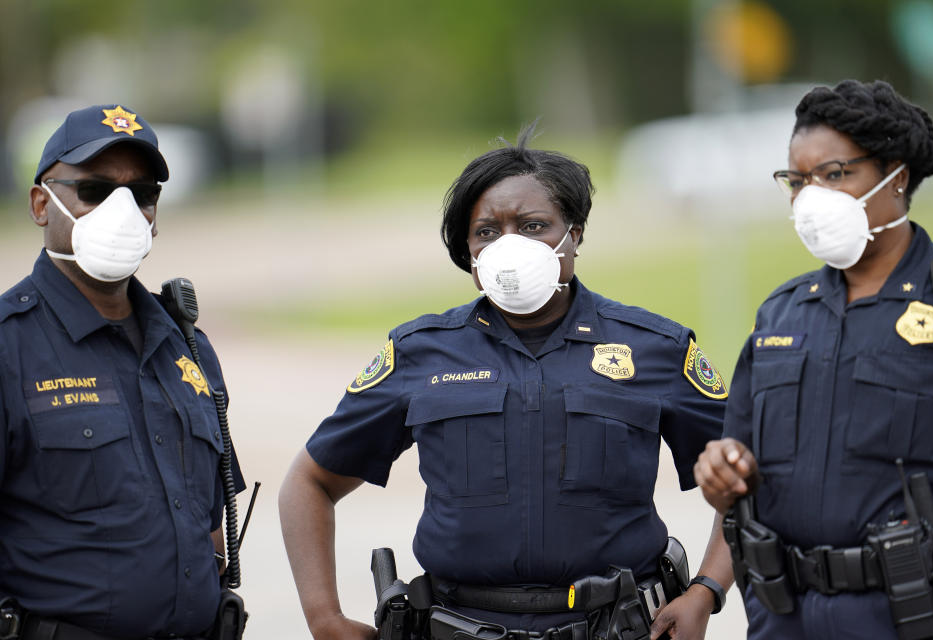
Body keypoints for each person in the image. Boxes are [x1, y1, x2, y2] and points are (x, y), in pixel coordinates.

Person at [279, 126, 732, 640]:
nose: (509, 245)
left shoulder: (655, 347)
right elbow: (310, 482)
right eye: (487, 232)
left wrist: (707, 591)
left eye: (534, 225)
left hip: (618, 626)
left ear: (574, 234)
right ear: (468, 250)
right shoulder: (420, 351)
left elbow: (749, 479)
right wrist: (323, 617)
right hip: (458, 625)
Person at [694, 79, 933, 639]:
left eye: (834, 175)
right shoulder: (781, 315)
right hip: (785, 614)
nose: (811, 197)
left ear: (897, 176)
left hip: (912, 613)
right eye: (797, 180)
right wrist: (723, 474)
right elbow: (739, 465)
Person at [0, 104, 244, 639]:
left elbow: (208, 526)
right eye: (94, 190)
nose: (124, 210)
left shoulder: (188, 347)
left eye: (142, 194)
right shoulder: (9, 347)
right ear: (42, 204)